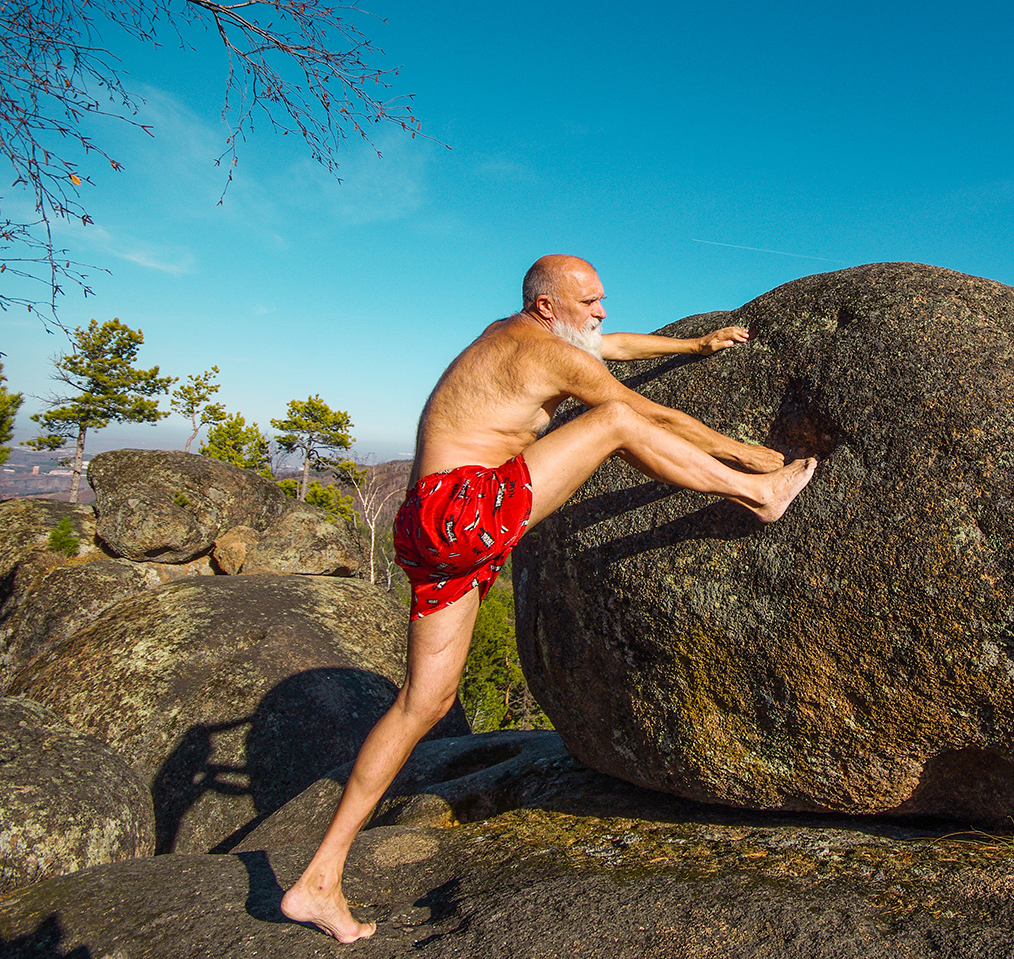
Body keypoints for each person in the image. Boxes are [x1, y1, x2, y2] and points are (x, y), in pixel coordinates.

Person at [280, 254, 816, 942]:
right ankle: (760, 499)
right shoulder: (538, 350)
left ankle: (318, 878)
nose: (600, 311)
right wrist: (750, 455)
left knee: (426, 702)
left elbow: (610, 347)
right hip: (461, 511)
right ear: (545, 306)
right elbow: (640, 409)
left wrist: (695, 344)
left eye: (601, 299)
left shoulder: (522, 335)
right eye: (588, 300)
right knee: (615, 423)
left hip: (428, 523)